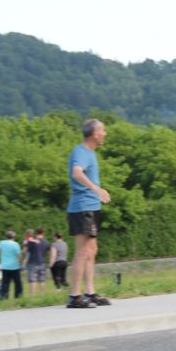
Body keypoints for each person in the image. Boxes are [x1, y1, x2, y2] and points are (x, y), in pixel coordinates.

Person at [66, 118, 112, 308]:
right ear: (94, 134)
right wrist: (96, 189)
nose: (105, 133)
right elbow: (77, 173)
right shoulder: (81, 152)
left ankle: (90, 293)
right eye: (103, 130)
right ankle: (74, 297)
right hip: (82, 207)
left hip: (91, 207)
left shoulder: (89, 153)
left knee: (92, 251)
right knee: (83, 252)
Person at [23, 227, 51, 297]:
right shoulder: (46, 242)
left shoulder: (32, 241)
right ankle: (43, 296)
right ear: (43, 233)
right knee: (42, 280)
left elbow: (24, 251)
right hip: (42, 263)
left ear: (36, 233)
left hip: (32, 263)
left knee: (32, 281)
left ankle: (32, 297)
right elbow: (50, 252)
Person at [0, 230, 23, 299]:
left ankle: (4, 297)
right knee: (18, 283)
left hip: (5, 266)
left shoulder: (1, 243)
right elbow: (19, 256)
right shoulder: (16, 244)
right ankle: (18, 297)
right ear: (14, 237)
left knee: (5, 283)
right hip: (14, 267)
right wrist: (20, 264)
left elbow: (1, 251)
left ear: (6, 236)